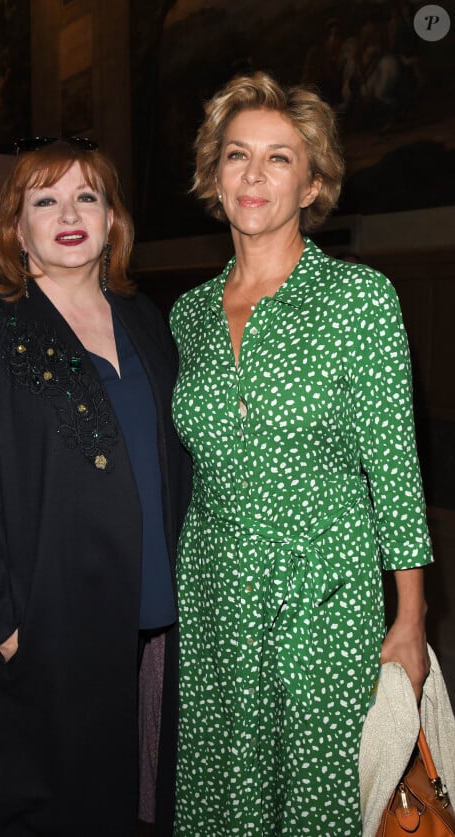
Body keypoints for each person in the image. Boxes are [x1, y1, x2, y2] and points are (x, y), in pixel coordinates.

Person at [0, 137, 190, 836]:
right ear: (17, 227)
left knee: (143, 807)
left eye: (86, 196)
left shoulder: (147, 322)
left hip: (155, 634)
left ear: (112, 220)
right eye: (45, 200)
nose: (69, 213)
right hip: (46, 642)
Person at [169, 71, 432, 836]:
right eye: (236, 155)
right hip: (217, 590)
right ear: (213, 175)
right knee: (227, 788)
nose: (254, 176)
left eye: (280, 158)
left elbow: (395, 463)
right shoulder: (187, 314)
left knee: (323, 795)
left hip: (326, 594)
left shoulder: (360, 299)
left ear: (314, 181)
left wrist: (410, 615)